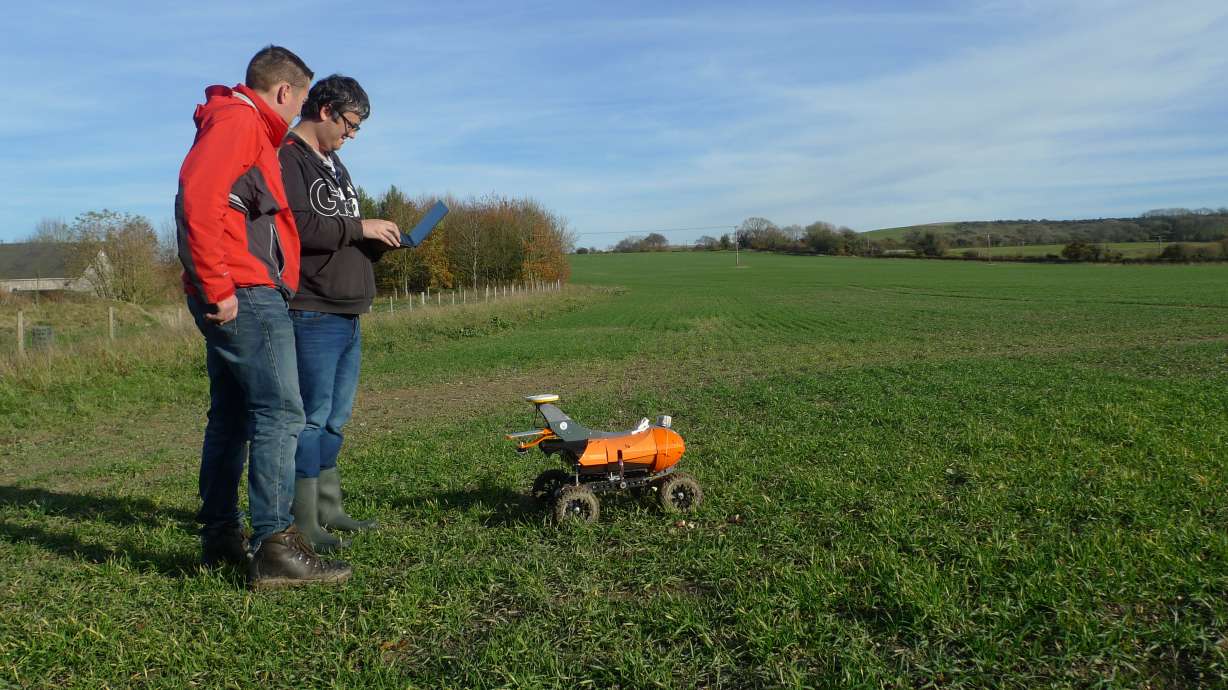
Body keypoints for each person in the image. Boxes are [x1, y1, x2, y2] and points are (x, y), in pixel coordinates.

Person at [175, 46, 351, 589]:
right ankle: (275, 544)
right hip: (244, 290)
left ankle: (221, 534)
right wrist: (218, 284)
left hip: (240, 285)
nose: (298, 109)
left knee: (232, 416)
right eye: (299, 97)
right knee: (281, 411)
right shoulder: (239, 121)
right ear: (283, 92)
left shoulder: (238, 124)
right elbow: (197, 198)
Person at [277, 74, 400, 552]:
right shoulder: (289, 157)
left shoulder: (334, 164)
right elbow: (298, 226)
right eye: (350, 125)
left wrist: (374, 238)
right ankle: (303, 519)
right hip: (313, 309)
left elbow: (342, 230)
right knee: (311, 417)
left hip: (348, 310)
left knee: (335, 419)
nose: (351, 136)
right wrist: (358, 226)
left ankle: (330, 508)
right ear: (325, 110)